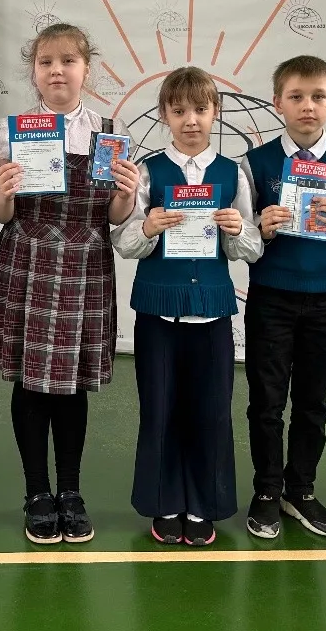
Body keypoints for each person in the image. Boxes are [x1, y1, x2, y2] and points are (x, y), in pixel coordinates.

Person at [0, 22, 137, 544]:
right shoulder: (10, 132)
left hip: (85, 262)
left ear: (85, 69)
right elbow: (1, 215)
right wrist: (2, 190)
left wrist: (127, 193)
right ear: (33, 71)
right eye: (46, 62)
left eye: (68, 61)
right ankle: (36, 492)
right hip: (27, 257)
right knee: (31, 384)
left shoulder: (109, 132)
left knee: (72, 386)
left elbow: (113, 216)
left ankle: (70, 492)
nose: (57, 71)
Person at [111, 66, 261, 546]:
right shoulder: (148, 171)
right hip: (158, 312)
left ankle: (204, 504)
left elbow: (251, 247)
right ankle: (166, 501)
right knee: (159, 410)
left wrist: (237, 230)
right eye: (179, 111)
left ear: (215, 112)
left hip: (212, 311)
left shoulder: (233, 173)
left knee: (212, 412)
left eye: (200, 109)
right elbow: (124, 241)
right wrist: (148, 227)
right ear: (164, 115)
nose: (190, 120)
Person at [240, 55, 326, 540]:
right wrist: (260, 228)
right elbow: (240, 236)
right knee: (267, 402)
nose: (307, 106)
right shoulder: (255, 164)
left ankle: (302, 490)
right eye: (296, 96)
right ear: (278, 102)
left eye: (318, 97)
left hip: (324, 299)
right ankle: (266, 492)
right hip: (271, 297)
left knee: (314, 402)